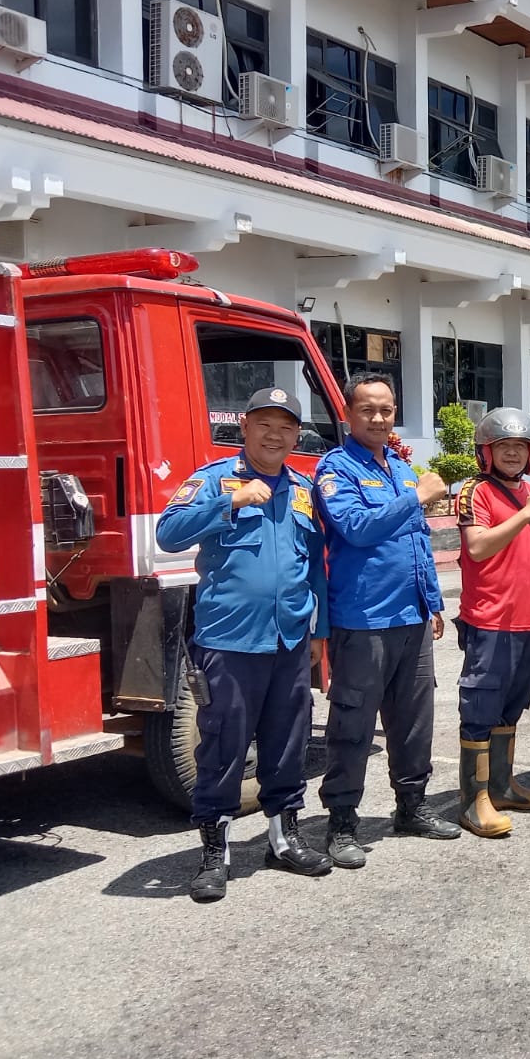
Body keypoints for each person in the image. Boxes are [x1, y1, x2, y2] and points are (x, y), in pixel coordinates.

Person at [157, 387, 332, 903]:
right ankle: (215, 854)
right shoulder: (213, 479)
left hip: (290, 639)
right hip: (230, 639)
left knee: (287, 742)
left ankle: (284, 839)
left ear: (296, 434)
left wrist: (318, 632)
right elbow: (168, 533)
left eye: (286, 427)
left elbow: (313, 565)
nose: (275, 435)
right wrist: (228, 500)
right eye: (265, 424)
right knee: (223, 745)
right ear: (246, 428)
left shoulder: (301, 490)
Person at [315, 371, 461, 866]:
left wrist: (433, 602)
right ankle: (341, 824)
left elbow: (417, 543)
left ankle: (411, 806)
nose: (378, 418)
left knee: (414, 721)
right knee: (352, 724)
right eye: (367, 410)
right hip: (363, 619)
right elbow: (356, 529)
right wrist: (419, 496)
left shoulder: (399, 468)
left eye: (386, 409)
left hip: (411, 617)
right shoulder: (337, 469)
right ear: (348, 416)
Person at [452, 407, 530, 838]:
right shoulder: (474, 491)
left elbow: (527, 554)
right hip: (490, 619)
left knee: (512, 704)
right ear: (486, 452)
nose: (512, 454)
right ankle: (473, 800)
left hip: (526, 618)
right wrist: (528, 513)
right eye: (503, 447)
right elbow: (477, 548)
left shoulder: (528, 488)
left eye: (520, 447)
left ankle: (501, 785)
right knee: (481, 705)